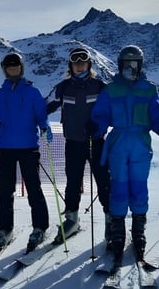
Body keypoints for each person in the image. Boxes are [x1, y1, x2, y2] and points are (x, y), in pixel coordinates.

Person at [91, 45, 159, 268]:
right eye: (126, 65)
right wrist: (96, 127)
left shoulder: (148, 89)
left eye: (134, 64)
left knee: (139, 188)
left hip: (139, 144)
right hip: (118, 144)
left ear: (140, 66)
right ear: (119, 66)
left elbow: (156, 114)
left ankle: (139, 233)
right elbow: (101, 115)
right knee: (118, 188)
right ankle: (117, 234)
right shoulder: (110, 90)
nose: (130, 68)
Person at [0, 52, 52, 253]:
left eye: (16, 67)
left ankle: (40, 227)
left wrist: (45, 127)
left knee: (34, 189)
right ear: (5, 70)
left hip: (28, 147)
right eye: (10, 68)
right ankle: (5, 229)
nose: (13, 70)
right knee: (5, 192)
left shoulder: (32, 93)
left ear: (21, 68)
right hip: (6, 148)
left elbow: (41, 116)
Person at [45, 47, 111, 244]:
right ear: (71, 65)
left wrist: (98, 125)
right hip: (73, 143)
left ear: (89, 64)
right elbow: (44, 107)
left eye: (83, 62)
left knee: (104, 182)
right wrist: (42, 123)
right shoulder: (63, 88)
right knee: (73, 182)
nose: (79, 65)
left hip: (96, 141)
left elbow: (112, 113)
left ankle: (111, 222)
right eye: (76, 62)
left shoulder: (101, 86)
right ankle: (72, 220)